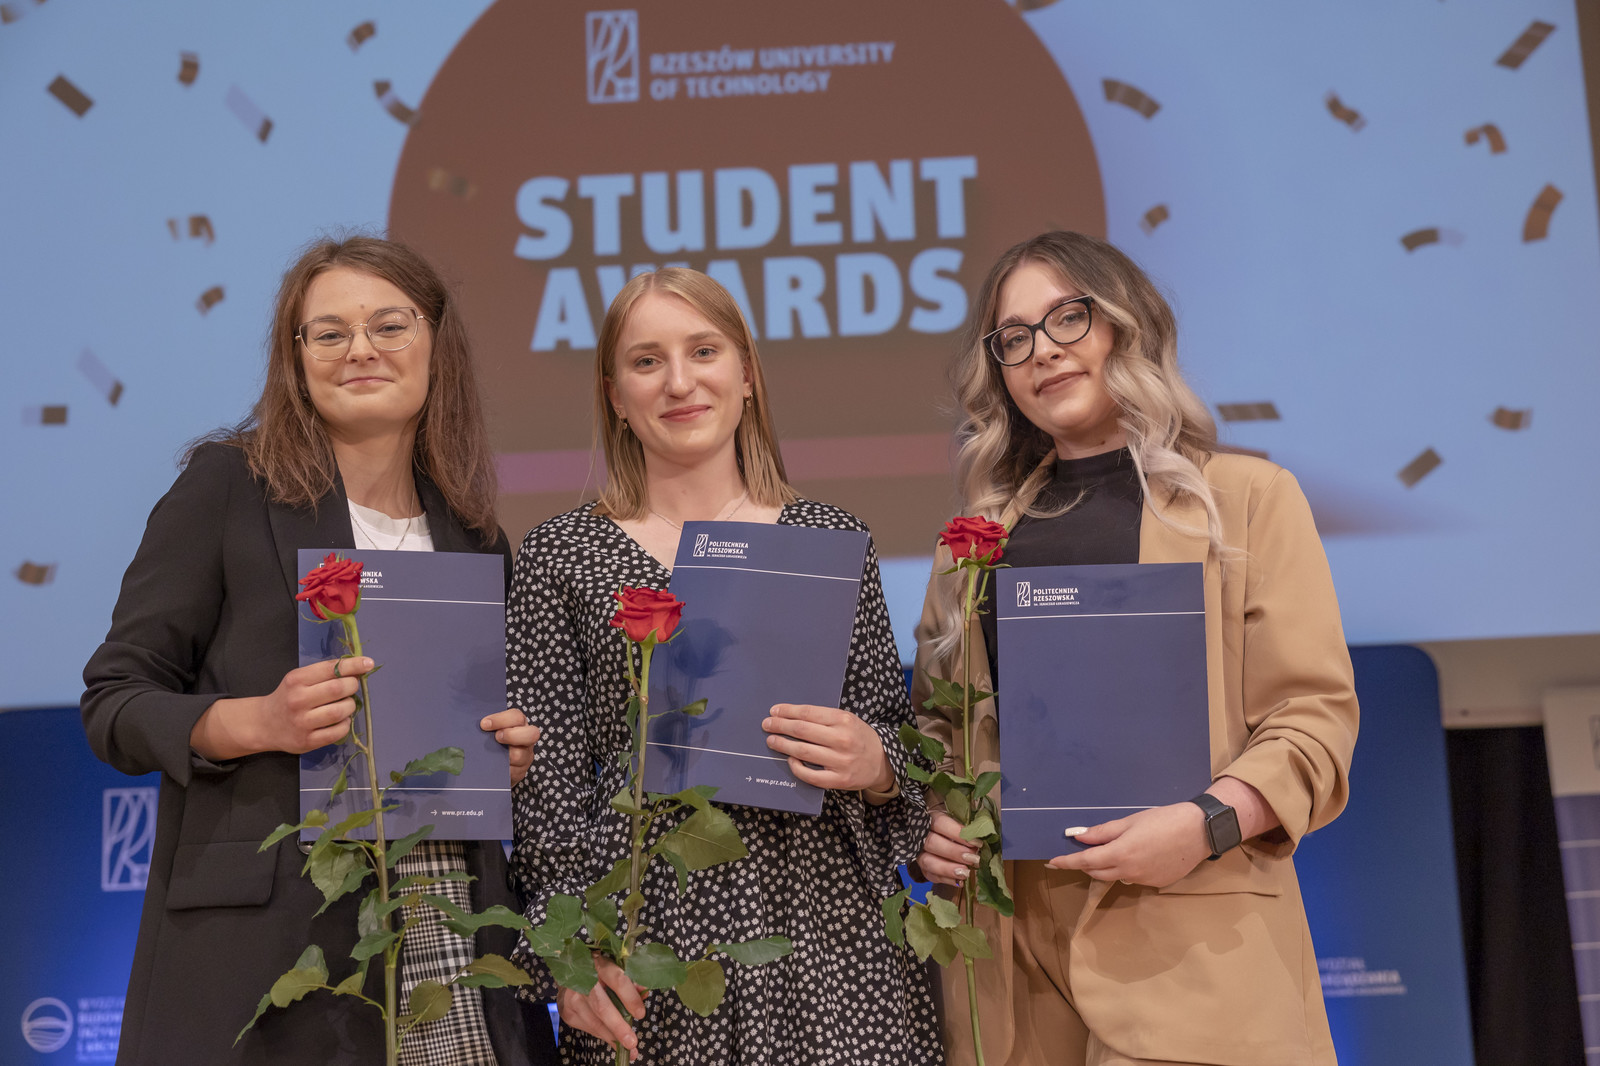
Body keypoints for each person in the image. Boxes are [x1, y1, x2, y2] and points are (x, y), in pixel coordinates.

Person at [81, 236, 558, 1066]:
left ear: (436, 342)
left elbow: (468, 732)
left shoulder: (476, 535)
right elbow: (114, 702)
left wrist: (498, 759)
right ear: (296, 359)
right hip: (273, 950)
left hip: (450, 925)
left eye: (389, 326)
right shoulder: (227, 487)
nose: (360, 350)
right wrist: (257, 722)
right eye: (329, 333)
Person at [911, 231, 1359, 1066]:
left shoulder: (1247, 499)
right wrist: (931, 820)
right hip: (1011, 975)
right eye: (1015, 338)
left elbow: (1312, 721)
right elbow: (939, 732)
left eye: (1067, 318)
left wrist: (1207, 823)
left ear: (1127, 323)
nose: (1044, 351)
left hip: (1195, 955)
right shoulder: (971, 543)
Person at [506, 267, 941, 1065]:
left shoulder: (830, 539)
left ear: (746, 374)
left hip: (829, 941)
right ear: (614, 394)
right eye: (647, 361)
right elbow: (548, 792)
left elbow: (896, 745)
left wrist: (878, 763)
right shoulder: (560, 555)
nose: (679, 382)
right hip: (647, 951)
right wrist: (572, 954)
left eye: (703, 351)